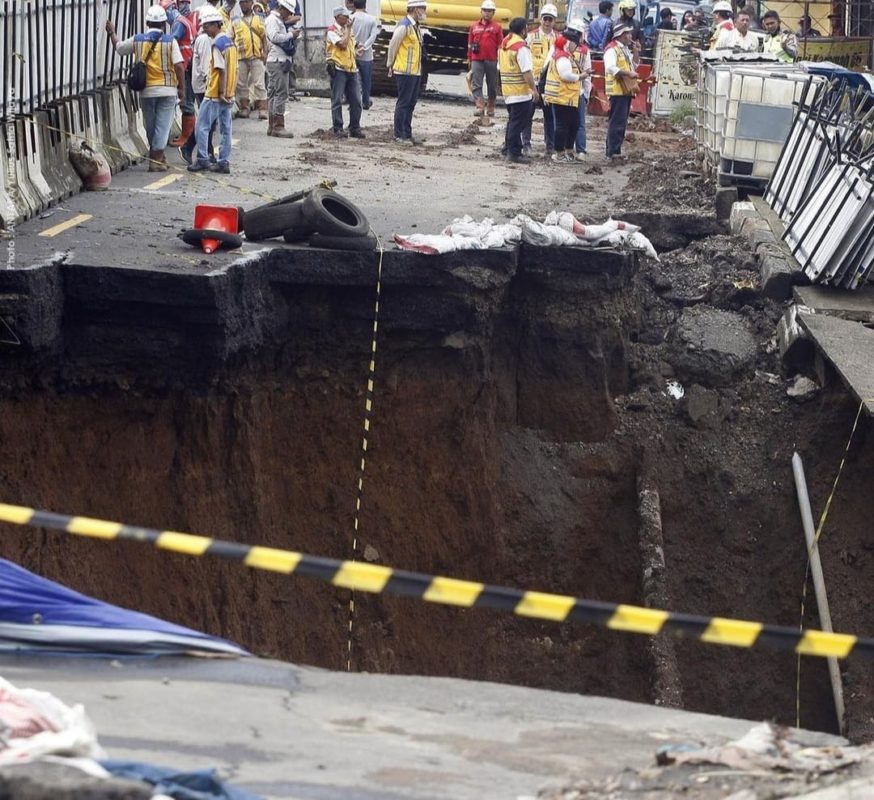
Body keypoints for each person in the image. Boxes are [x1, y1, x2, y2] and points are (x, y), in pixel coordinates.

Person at [106, 6, 185, 172]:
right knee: (163, 126)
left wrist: (112, 32)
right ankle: (156, 158)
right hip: (167, 89)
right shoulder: (171, 41)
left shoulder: (138, 39)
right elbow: (179, 66)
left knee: (150, 125)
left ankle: (157, 155)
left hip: (146, 90)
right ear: (164, 24)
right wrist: (182, 89)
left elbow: (119, 48)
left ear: (147, 22)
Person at [188, 6, 237, 174]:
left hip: (216, 93)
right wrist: (228, 92)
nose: (205, 29)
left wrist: (221, 92)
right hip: (228, 93)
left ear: (216, 25)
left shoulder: (217, 44)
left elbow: (220, 70)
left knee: (202, 126)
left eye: (207, 26)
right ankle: (223, 161)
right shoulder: (230, 43)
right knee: (226, 129)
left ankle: (202, 158)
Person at [179, 11, 219, 163]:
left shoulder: (209, 39)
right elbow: (205, 66)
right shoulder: (204, 40)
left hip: (206, 85)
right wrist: (211, 83)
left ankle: (206, 151)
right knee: (207, 121)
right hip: (204, 86)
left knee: (208, 121)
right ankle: (193, 148)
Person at [499, 17, 538, 164]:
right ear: (523, 30)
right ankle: (513, 153)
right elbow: (527, 72)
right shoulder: (520, 47)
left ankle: (508, 148)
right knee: (518, 123)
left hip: (508, 91)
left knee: (513, 121)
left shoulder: (505, 44)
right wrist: (534, 90)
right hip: (520, 92)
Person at [386, 0, 426, 145]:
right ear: (415, 9)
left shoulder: (416, 27)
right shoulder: (404, 26)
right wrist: (390, 64)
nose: (424, 12)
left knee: (411, 103)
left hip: (415, 72)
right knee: (403, 103)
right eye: (423, 8)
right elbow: (393, 45)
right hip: (404, 71)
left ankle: (407, 133)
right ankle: (399, 134)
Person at [543, 28, 584, 163]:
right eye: (575, 44)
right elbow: (565, 75)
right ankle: (559, 152)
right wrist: (580, 76)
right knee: (562, 125)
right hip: (561, 96)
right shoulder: (562, 56)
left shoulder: (565, 55)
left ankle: (567, 150)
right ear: (569, 43)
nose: (576, 47)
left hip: (568, 97)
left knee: (574, 123)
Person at [523, 4, 557, 156]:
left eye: (550, 19)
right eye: (545, 19)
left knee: (549, 116)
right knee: (527, 114)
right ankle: (526, 143)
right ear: (541, 19)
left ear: (554, 21)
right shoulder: (531, 36)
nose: (547, 22)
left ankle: (550, 145)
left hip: (550, 83)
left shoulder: (559, 39)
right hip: (534, 81)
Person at [326, 7, 365, 138]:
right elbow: (342, 44)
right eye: (345, 16)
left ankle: (355, 127)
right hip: (338, 68)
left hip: (351, 68)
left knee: (356, 100)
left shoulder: (348, 30)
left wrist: (357, 50)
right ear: (337, 17)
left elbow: (350, 46)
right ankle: (338, 127)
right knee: (337, 99)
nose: (348, 19)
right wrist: (348, 29)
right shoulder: (332, 31)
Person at [264, 0, 300, 137]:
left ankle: (272, 125)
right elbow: (274, 37)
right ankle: (278, 126)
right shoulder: (273, 20)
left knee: (273, 93)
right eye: (288, 12)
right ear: (282, 8)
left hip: (277, 60)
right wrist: (291, 35)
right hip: (277, 60)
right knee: (281, 93)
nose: (290, 15)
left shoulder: (276, 19)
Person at [603, 22, 638, 161]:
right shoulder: (612, 49)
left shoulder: (623, 49)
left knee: (621, 122)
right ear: (621, 35)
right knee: (616, 122)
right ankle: (612, 152)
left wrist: (636, 52)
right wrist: (628, 74)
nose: (630, 36)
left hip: (625, 90)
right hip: (617, 90)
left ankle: (615, 150)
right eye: (628, 33)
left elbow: (634, 65)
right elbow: (611, 68)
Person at [168, 0, 200, 148]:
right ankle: (188, 135)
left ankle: (187, 137)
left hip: (185, 66)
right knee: (188, 101)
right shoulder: (184, 21)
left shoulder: (179, 23)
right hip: (189, 64)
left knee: (186, 101)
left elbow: (171, 42)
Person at [467, 0, 503, 118]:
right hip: (477, 59)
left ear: (493, 13)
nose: (487, 13)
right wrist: (469, 58)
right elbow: (470, 44)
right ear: (481, 11)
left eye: (489, 11)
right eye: (485, 11)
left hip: (491, 59)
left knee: (492, 84)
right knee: (476, 83)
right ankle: (480, 106)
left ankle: (491, 106)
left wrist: (500, 61)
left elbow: (500, 45)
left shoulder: (497, 27)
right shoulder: (474, 26)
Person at [233, 0, 268, 119]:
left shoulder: (259, 19)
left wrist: (265, 53)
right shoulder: (235, 20)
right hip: (241, 57)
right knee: (241, 84)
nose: (244, 5)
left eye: (246, 2)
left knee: (259, 83)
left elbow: (264, 37)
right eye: (241, 3)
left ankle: (262, 109)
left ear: (251, 3)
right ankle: (245, 108)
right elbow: (229, 38)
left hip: (256, 56)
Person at [351, 0, 380, 110]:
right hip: (366, 55)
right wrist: (364, 47)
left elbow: (348, 35)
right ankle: (365, 102)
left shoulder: (350, 18)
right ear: (365, 5)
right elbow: (373, 36)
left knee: (352, 80)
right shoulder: (372, 19)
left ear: (354, 5)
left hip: (352, 53)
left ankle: (353, 102)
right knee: (366, 80)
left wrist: (356, 46)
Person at [571, 26, 592, 160]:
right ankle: (575, 151)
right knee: (571, 123)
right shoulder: (560, 49)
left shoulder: (584, 51)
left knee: (578, 123)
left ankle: (580, 150)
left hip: (576, 92)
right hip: (567, 93)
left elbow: (588, 73)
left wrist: (586, 94)